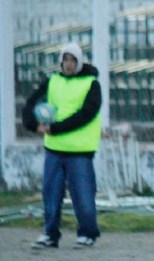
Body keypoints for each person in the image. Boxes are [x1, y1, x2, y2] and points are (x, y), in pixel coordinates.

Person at [22, 42, 102, 249]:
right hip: (54, 149)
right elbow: (31, 102)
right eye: (65, 60)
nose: (68, 64)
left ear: (79, 62)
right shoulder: (52, 81)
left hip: (79, 151)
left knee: (83, 195)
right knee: (51, 193)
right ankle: (50, 233)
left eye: (72, 60)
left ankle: (87, 233)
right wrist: (33, 124)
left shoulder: (91, 83)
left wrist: (55, 128)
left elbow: (86, 114)